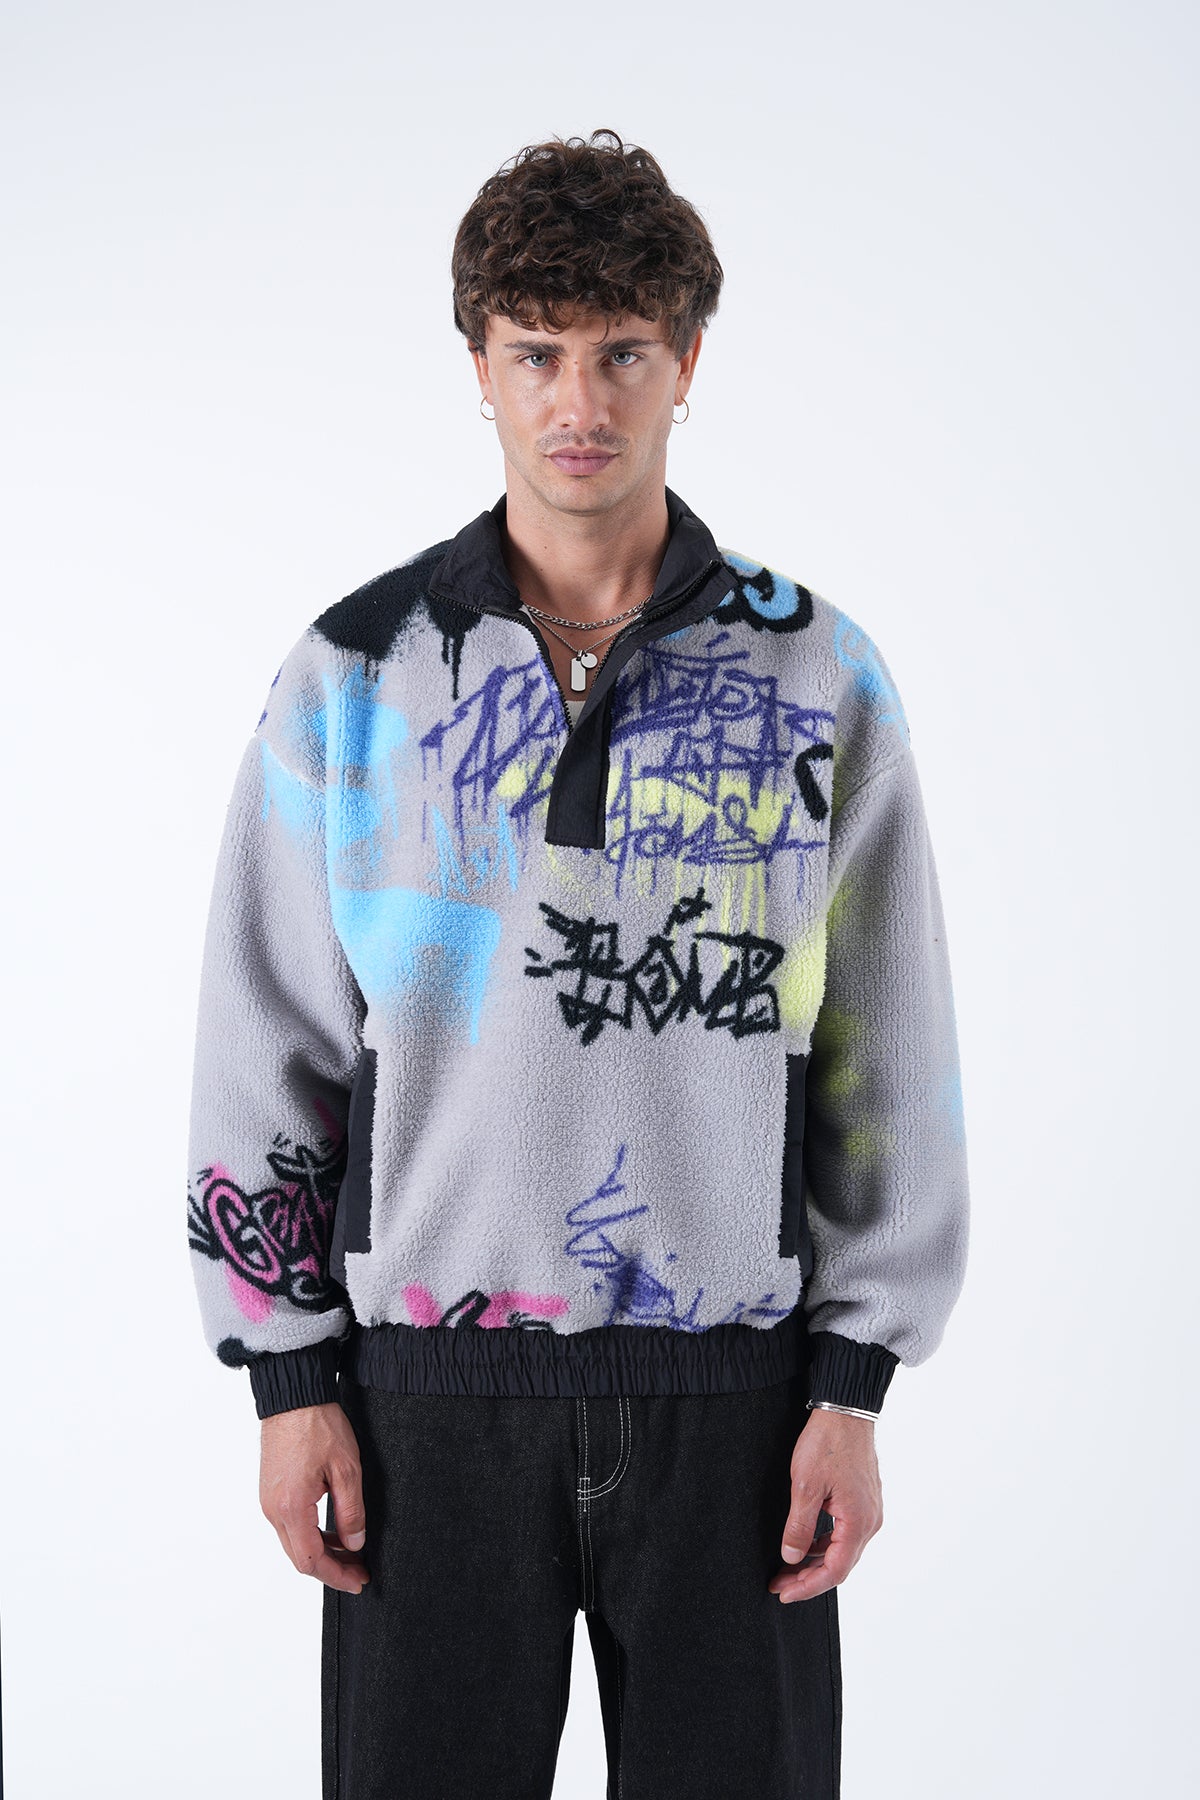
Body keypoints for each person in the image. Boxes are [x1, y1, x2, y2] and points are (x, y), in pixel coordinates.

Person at [187, 127, 969, 1800]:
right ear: (478, 366)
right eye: (537, 349)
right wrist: (288, 1376)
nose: (579, 400)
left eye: (622, 350)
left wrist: (854, 1387)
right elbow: (268, 1040)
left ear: (687, 361)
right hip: (426, 1406)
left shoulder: (817, 675)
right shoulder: (355, 675)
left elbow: (889, 1056)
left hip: (738, 1405)